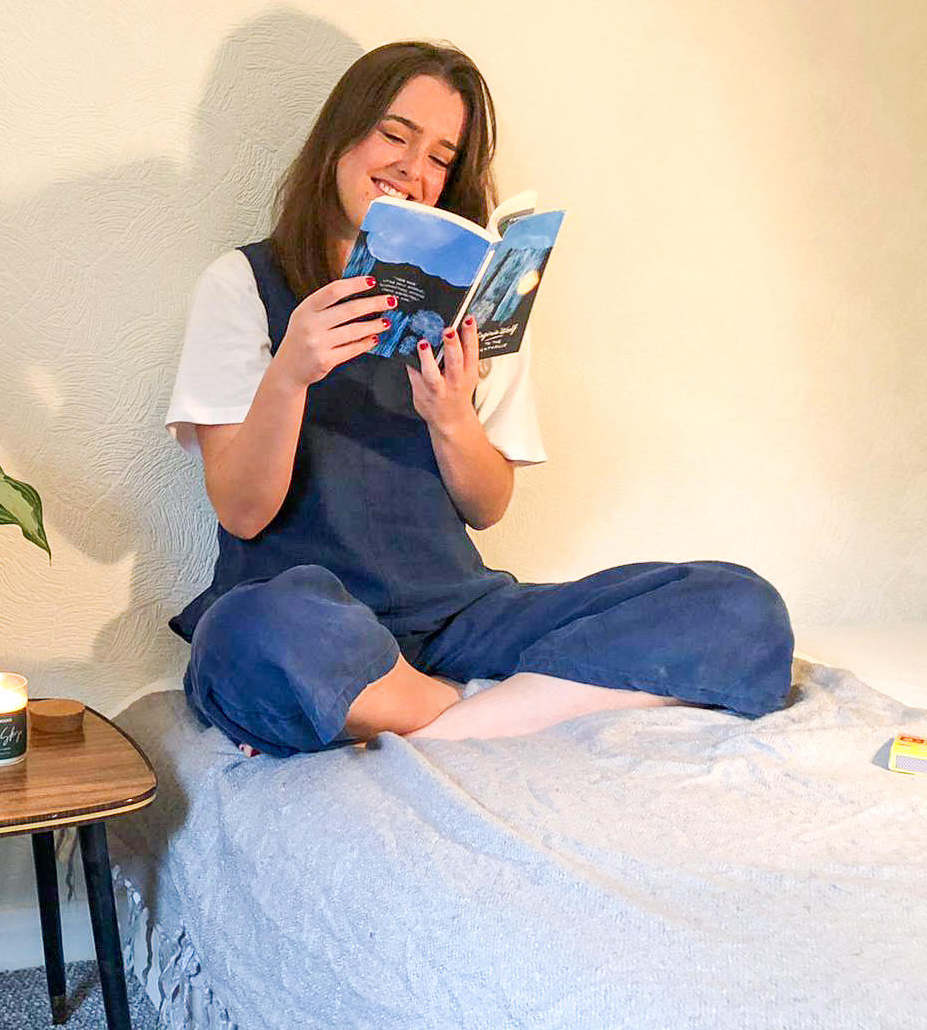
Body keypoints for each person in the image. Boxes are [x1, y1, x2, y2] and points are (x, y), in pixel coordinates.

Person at [165, 40, 793, 755]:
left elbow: (487, 507)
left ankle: (425, 716)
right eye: (394, 135)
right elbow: (243, 512)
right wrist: (289, 375)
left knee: (740, 608)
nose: (413, 169)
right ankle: (503, 705)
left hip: (461, 615)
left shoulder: (474, 304)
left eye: (441, 157)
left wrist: (450, 415)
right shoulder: (242, 284)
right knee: (246, 636)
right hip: (313, 617)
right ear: (339, 137)